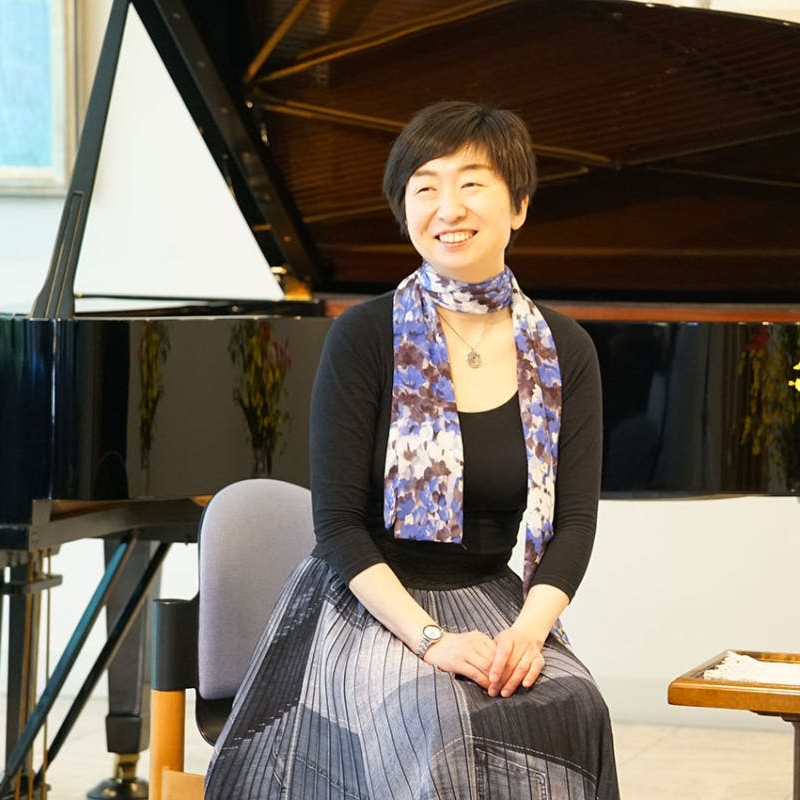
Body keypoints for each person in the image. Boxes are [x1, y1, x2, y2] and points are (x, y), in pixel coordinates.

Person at [206, 100, 620, 799]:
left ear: (519, 205)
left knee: (577, 704)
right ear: (405, 209)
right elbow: (338, 526)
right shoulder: (364, 336)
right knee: (438, 717)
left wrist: (528, 633)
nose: (447, 207)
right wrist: (432, 641)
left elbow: (574, 521)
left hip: (491, 598)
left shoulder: (563, 349)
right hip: (367, 606)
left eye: (471, 182)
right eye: (425, 186)